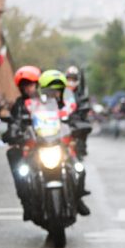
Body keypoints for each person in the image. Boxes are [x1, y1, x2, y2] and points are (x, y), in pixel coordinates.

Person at [38, 69, 91, 216]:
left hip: (64, 144)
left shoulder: (70, 104)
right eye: (50, 91)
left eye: (57, 91)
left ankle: (77, 198)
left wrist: (77, 125)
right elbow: (29, 119)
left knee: (79, 169)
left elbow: (80, 117)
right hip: (44, 144)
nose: (53, 94)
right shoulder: (37, 106)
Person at [2, 65, 41, 220]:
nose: (28, 88)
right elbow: (13, 122)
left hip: (48, 141)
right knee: (13, 155)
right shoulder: (18, 105)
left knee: (72, 157)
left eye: (31, 84)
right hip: (29, 144)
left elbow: (61, 116)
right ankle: (26, 201)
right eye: (25, 85)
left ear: (37, 84)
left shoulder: (46, 101)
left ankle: (77, 196)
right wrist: (11, 133)